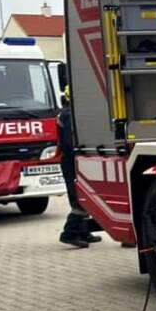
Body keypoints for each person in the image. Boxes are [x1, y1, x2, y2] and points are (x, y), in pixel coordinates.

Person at [56, 86, 100, 248]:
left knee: (84, 195)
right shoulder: (70, 115)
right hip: (72, 161)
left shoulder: (67, 113)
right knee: (79, 197)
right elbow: (69, 142)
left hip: (71, 160)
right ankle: (69, 233)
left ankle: (83, 232)